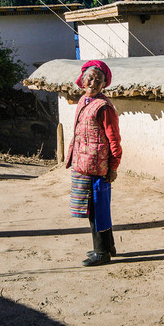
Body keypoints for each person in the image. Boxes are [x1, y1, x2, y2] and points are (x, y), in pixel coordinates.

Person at [66, 60, 122, 266]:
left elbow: (114, 139)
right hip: (83, 163)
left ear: (104, 84)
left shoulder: (103, 108)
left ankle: (101, 252)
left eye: (99, 80)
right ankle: (109, 246)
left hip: (98, 168)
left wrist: (113, 167)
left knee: (97, 209)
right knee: (97, 209)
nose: (93, 83)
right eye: (90, 78)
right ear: (82, 80)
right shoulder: (84, 101)